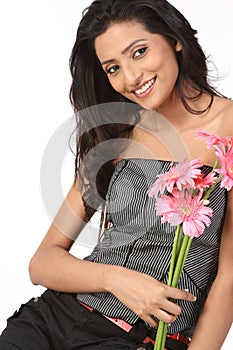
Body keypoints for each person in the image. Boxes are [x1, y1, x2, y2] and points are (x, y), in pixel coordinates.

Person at [0, 0, 232, 349]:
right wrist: (119, 281)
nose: (131, 78)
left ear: (175, 39)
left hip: (144, 339)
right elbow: (43, 262)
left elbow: (230, 277)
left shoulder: (228, 130)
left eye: (139, 52)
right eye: (113, 68)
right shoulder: (117, 132)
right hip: (54, 320)